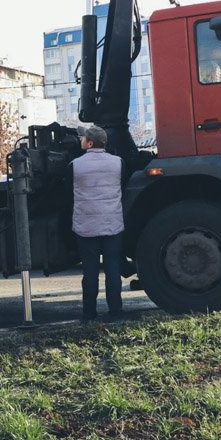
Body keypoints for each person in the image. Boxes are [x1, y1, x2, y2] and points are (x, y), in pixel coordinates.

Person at [72, 125, 124, 321]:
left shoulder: (75, 165)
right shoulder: (118, 163)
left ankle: (89, 314)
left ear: (90, 143)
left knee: (90, 271)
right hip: (113, 224)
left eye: (83, 137)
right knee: (113, 269)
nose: (80, 139)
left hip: (86, 226)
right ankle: (116, 311)